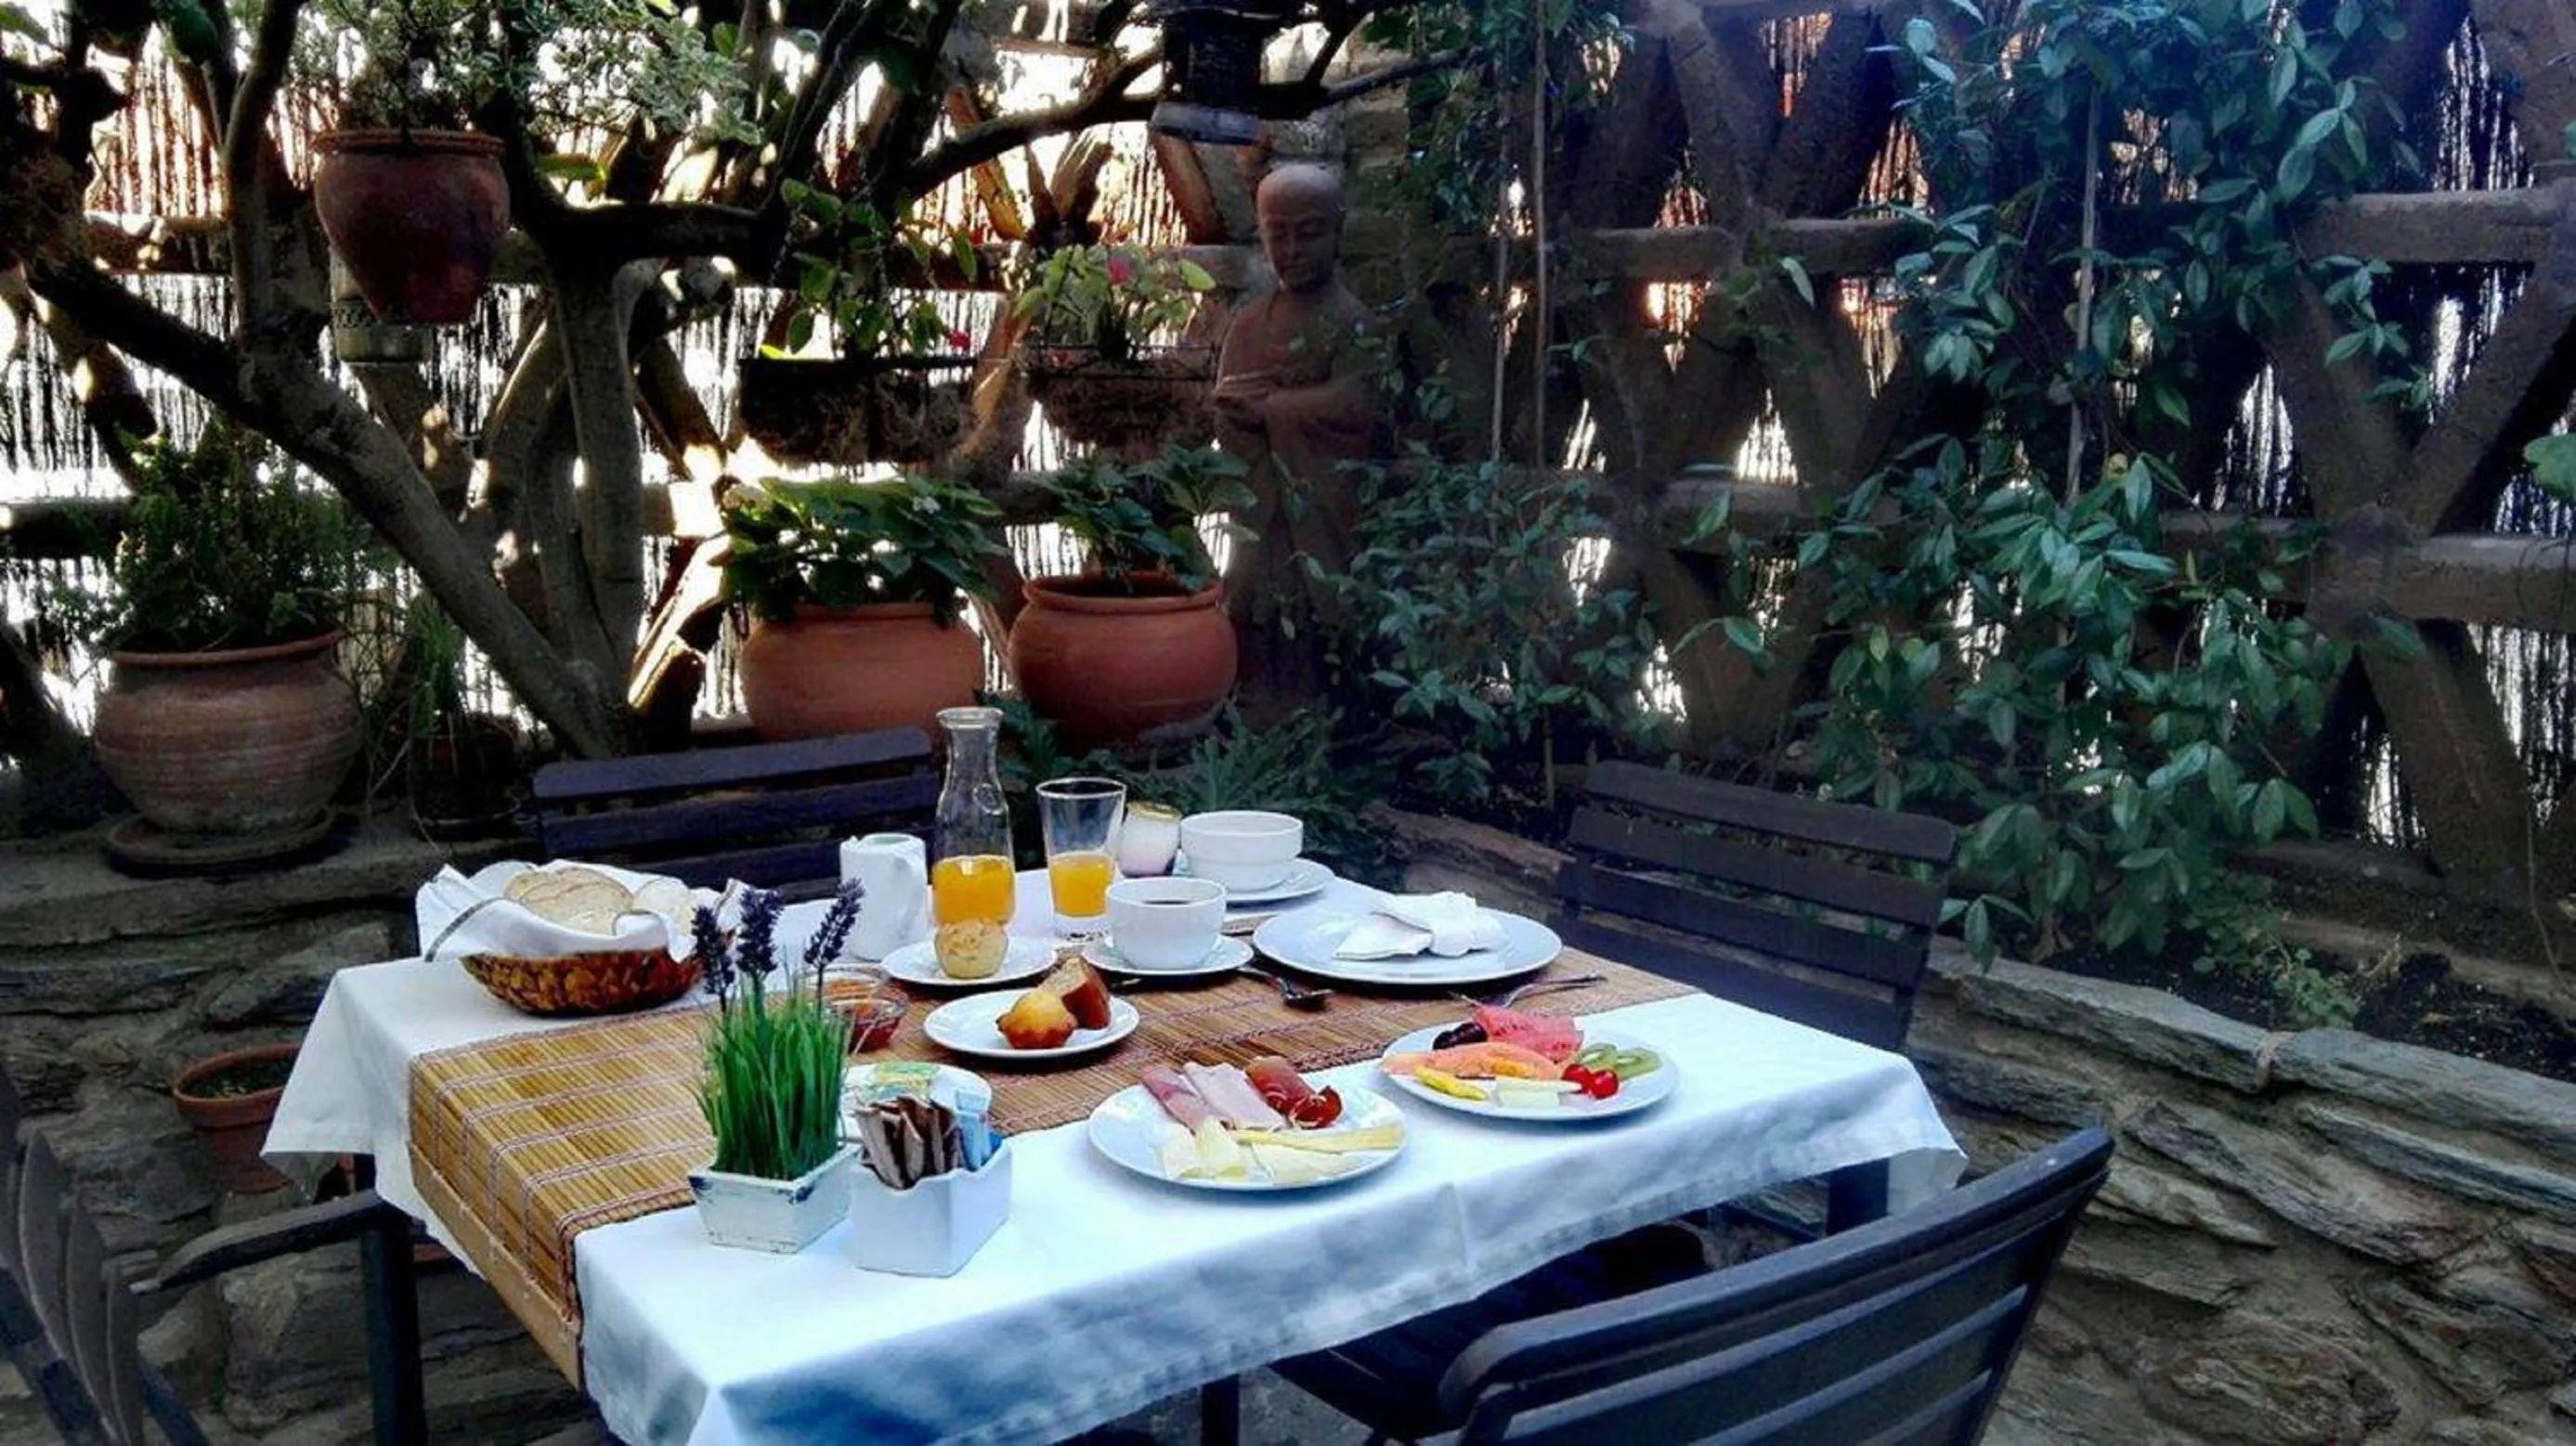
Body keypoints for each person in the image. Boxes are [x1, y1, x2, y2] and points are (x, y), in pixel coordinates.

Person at [1213, 162, 1383, 715]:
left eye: (1308, 232)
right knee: (1254, 595)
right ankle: (1255, 702)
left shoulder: (1351, 322)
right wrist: (1243, 412)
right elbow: (1229, 402)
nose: (1291, 248)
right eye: (1276, 233)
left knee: (1316, 601)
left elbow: (1358, 404)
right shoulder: (1249, 322)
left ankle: (1321, 712)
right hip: (1262, 507)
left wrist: (1276, 409)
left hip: (1322, 505)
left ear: (1339, 229)